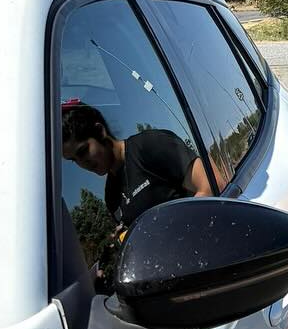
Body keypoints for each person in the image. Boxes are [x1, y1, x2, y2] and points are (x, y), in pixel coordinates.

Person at [61, 100, 213, 281]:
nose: (82, 163)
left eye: (83, 151)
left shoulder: (150, 146)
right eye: (73, 160)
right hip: (168, 282)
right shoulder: (111, 196)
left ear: (100, 131)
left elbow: (211, 186)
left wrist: (173, 242)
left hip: (206, 264)